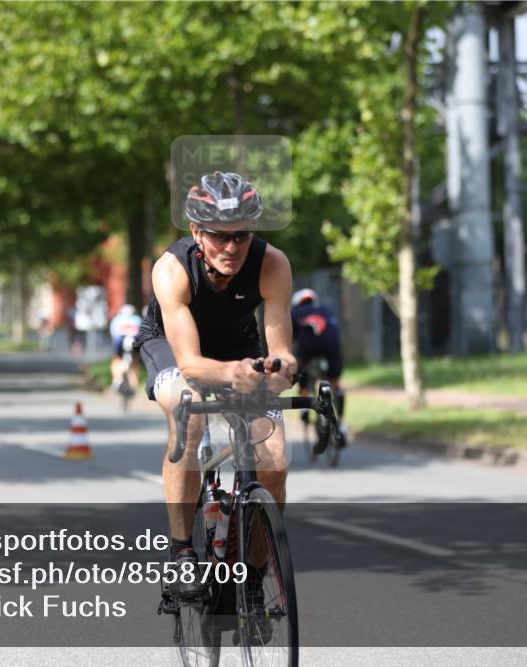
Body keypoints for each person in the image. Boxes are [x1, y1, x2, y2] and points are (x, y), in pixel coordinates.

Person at [134, 171, 296, 601]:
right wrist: (231, 375)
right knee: (187, 412)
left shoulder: (273, 263)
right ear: (195, 232)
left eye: (241, 236)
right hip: (171, 345)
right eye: (219, 236)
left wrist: (280, 370)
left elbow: (280, 350)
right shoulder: (172, 269)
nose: (231, 247)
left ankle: (255, 578)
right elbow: (189, 364)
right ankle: (183, 550)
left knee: (275, 460)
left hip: (239, 347)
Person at [290, 288, 347, 446]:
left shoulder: (294, 312)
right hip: (331, 346)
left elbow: (292, 338)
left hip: (308, 347)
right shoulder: (326, 310)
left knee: (300, 367)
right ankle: (341, 424)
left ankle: (304, 405)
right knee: (335, 383)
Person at [108, 303, 142, 391]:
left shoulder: (117, 319)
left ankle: (117, 379)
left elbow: (113, 333)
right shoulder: (137, 319)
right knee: (135, 362)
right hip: (133, 342)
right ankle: (134, 384)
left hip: (121, 343)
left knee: (116, 359)